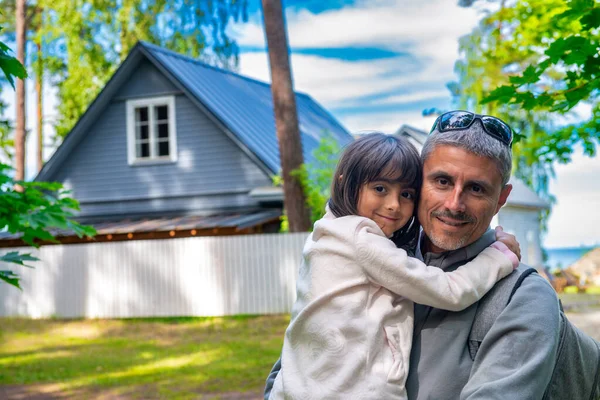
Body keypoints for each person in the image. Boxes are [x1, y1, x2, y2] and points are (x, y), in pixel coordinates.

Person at [265, 111, 560, 400]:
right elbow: (294, 360)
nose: (455, 204)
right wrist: (498, 257)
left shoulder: (523, 297)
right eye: (442, 181)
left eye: (476, 188)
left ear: (501, 199)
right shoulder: (372, 248)